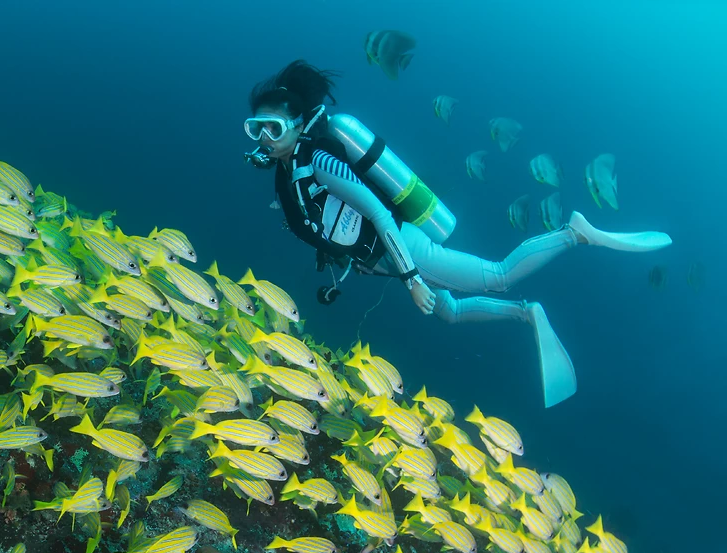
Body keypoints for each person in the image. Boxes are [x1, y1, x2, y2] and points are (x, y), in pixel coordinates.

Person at [244, 60, 672, 407]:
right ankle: (526, 313)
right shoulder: (286, 176)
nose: (265, 138)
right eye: (256, 128)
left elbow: (378, 213)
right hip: (384, 261)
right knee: (447, 311)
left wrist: (411, 278)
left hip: (403, 248)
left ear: (300, 124)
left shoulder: (318, 162)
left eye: (274, 128)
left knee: (499, 274)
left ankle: (573, 233)